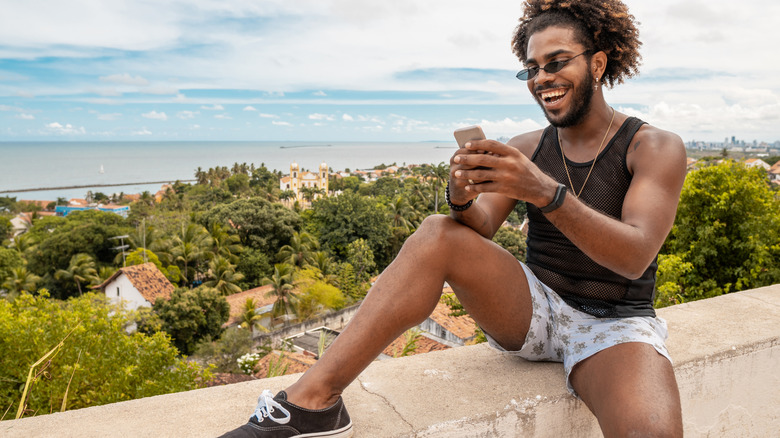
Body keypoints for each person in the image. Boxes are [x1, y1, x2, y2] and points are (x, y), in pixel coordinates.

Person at [220, 0, 687, 436]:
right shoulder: (529, 146)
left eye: (556, 62)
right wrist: (462, 198)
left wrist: (543, 192)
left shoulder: (653, 146)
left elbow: (635, 254)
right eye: (532, 68)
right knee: (436, 231)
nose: (541, 77)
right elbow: (479, 228)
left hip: (613, 323)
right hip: (533, 308)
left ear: (598, 64)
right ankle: (312, 403)